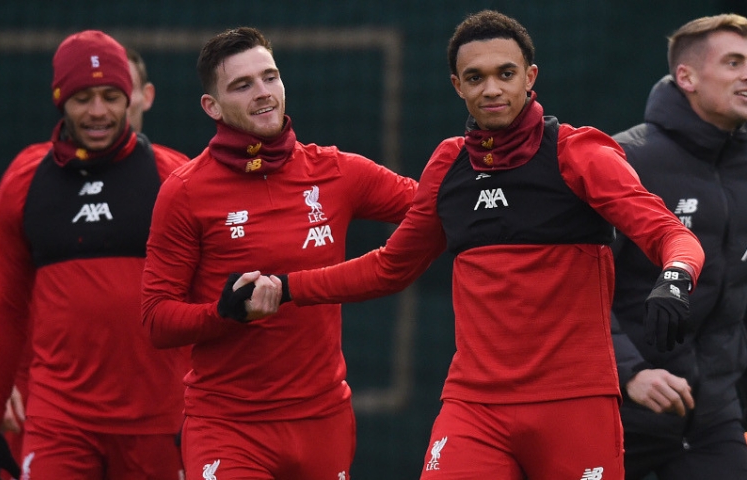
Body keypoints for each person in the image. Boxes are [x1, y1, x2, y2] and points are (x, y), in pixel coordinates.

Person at [237, 9, 706, 480]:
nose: (492, 89)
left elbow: (671, 234)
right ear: (457, 86)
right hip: (474, 406)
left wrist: (675, 278)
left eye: (506, 74)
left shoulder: (579, 153)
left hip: (574, 403)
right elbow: (388, 268)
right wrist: (287, 287)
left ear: (530, 77)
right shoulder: (448, 164)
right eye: (476, 78)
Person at [140, 27, 417, 480]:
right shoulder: (184, 192)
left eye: (270, 77)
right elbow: (156, 319)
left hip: (322, 420)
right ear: (212, 106)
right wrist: (223, 314)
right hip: (227, 426)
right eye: (242, 85)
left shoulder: (336, 171)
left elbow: (430, 209)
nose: (263, 92)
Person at [0, 30, 189, 479]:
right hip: (58, 420)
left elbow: (209, 298)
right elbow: (5, 306)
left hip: (158, 423)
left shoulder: (174, 178)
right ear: (60, 100)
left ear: (131, 98)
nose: (98, 111)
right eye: (82, 98)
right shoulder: (24, 181)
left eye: (110, 96)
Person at [609, 13, 747, 480]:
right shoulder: (624, 159)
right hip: (617, 408)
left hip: (713, 416)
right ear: (686, 77)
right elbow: (575, 287)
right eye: (733, 63)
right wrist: (629, 372)